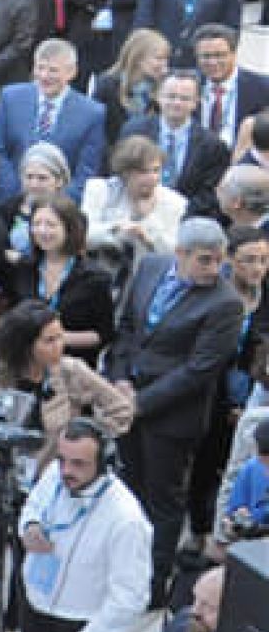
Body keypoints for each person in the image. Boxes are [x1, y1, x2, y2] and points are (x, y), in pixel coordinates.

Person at [106, 219, 243, 606]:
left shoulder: (225, 303)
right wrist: (119, 380)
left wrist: (139, 403)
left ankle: (152, 586)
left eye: (219, 260)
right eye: (205, 260)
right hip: (127, 400)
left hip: (171, 418)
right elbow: (128, 329)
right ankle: (121, 573)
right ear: (180, 254)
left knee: (162, 504)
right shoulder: (150, 267)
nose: (214, 269)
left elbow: (199, 370)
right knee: (127, 494)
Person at [13, 420, 152, 632]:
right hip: (34, 607)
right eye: (62, 459)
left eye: (78, 464)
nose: (66, 471)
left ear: (104, 464)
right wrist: (30, 525)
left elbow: (132, 596)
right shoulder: (56, 475)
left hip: (74, 627)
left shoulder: (126, 519)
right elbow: (32, 505)